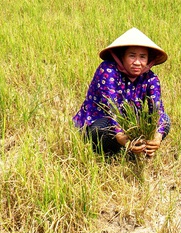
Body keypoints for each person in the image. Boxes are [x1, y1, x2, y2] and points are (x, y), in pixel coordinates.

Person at [73, 28, 171, 157]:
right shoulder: (108, 71)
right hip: (101, 121)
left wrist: (156, 137)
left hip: (129, 124)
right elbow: (112, 109)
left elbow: (157, 111)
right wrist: (122, 137)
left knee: (166, 121)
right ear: (121, 56)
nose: (137, 62)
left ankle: (137, 149)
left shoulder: (150, 78)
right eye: (132, 56)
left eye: (142, 57)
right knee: (101, 130)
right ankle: (112, 153)